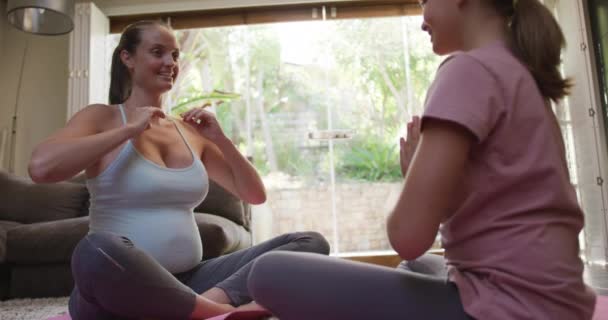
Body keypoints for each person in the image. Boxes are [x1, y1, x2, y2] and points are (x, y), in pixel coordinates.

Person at [247, 0, 597, 319]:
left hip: (507, 309)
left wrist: (412, 175)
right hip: (559, 303)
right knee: (418, 266)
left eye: (424, 1)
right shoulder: (522, 76)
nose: (421, 19)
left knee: (267, 272)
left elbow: (407, 236)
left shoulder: (467, 71)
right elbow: (495, 209)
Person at [28, 20, 329, 320]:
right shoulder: (102, 118)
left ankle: (208, 304)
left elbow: (254, 195)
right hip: (118, 289)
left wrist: (220, 140)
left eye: (174, 55)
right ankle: (213, 313)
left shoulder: (190, 131)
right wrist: (128, 130)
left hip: (192, 281)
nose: (170, 63)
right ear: (127, 58)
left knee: (309, 242)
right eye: (158, 52)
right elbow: (41, 168)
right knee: (95, 249)